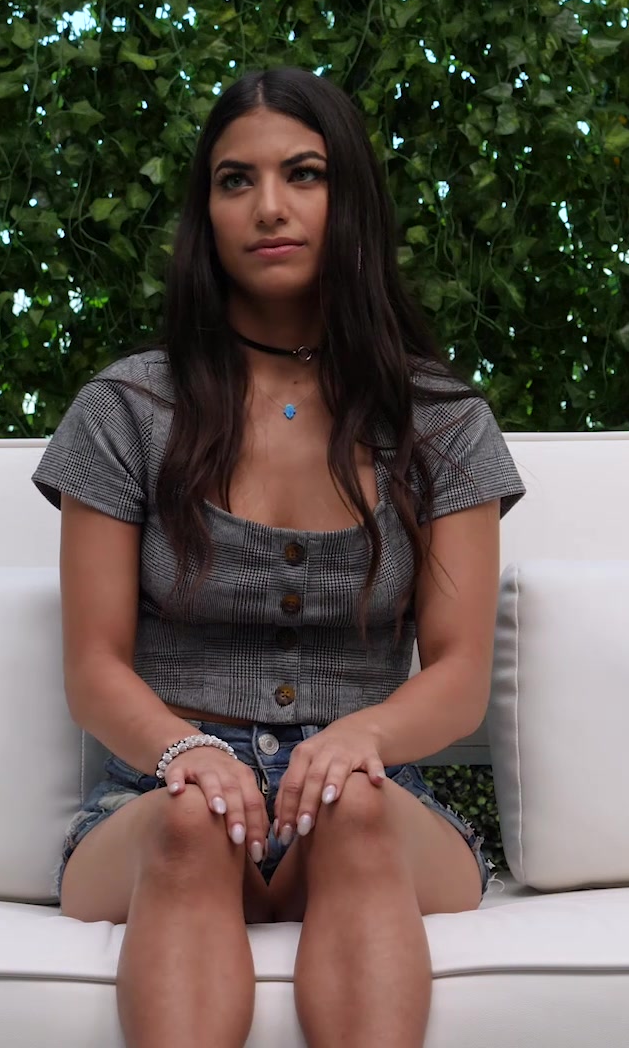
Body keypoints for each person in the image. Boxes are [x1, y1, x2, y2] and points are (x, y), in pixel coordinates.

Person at [30, 65, 526, 1048]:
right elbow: (94, 667)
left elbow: (461, 674)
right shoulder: (126, 410)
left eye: (303, 174)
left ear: (350, 200)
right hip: (157, 798)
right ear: (205, 214)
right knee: (193, 819)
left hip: (370, 802)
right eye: (235, 181)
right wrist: (187, 752)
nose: (268, 207)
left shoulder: (441, 421)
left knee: (353, 807)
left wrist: (360, 739)